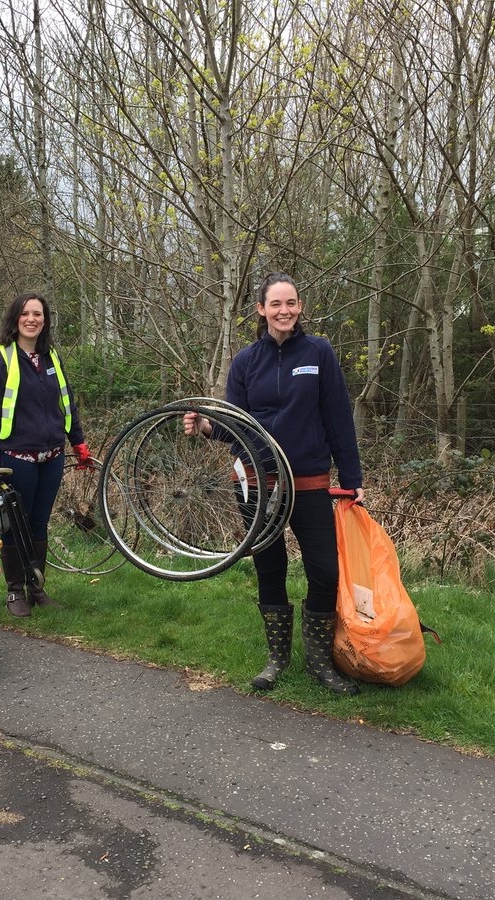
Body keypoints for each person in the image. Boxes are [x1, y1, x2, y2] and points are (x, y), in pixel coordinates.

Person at [185, 272, 364, 695]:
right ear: (261, 310)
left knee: (325, 570)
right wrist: (206, 425)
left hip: (308, 481)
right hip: (257, 483)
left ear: (300, 307)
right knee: (270, 567)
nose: (285, 311)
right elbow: (236, 426)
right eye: (276, 304)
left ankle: (321, 663)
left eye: (292, 303)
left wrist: (353, 477)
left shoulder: (318, 352)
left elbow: (338, 418)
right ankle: (277, 659)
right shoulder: (247, 361)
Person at [0, 292, 93, 617]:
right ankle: (15, 592)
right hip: (16, 460)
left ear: (45, 320)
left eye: (38, 314)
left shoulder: (51, 358)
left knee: (40, 523)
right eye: (26, 313)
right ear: (16, 319)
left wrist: (78, 443)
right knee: (16, 525)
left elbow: (68, 404)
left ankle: (36, 588)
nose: (32, 319)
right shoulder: (0, 361)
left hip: (52, 457)